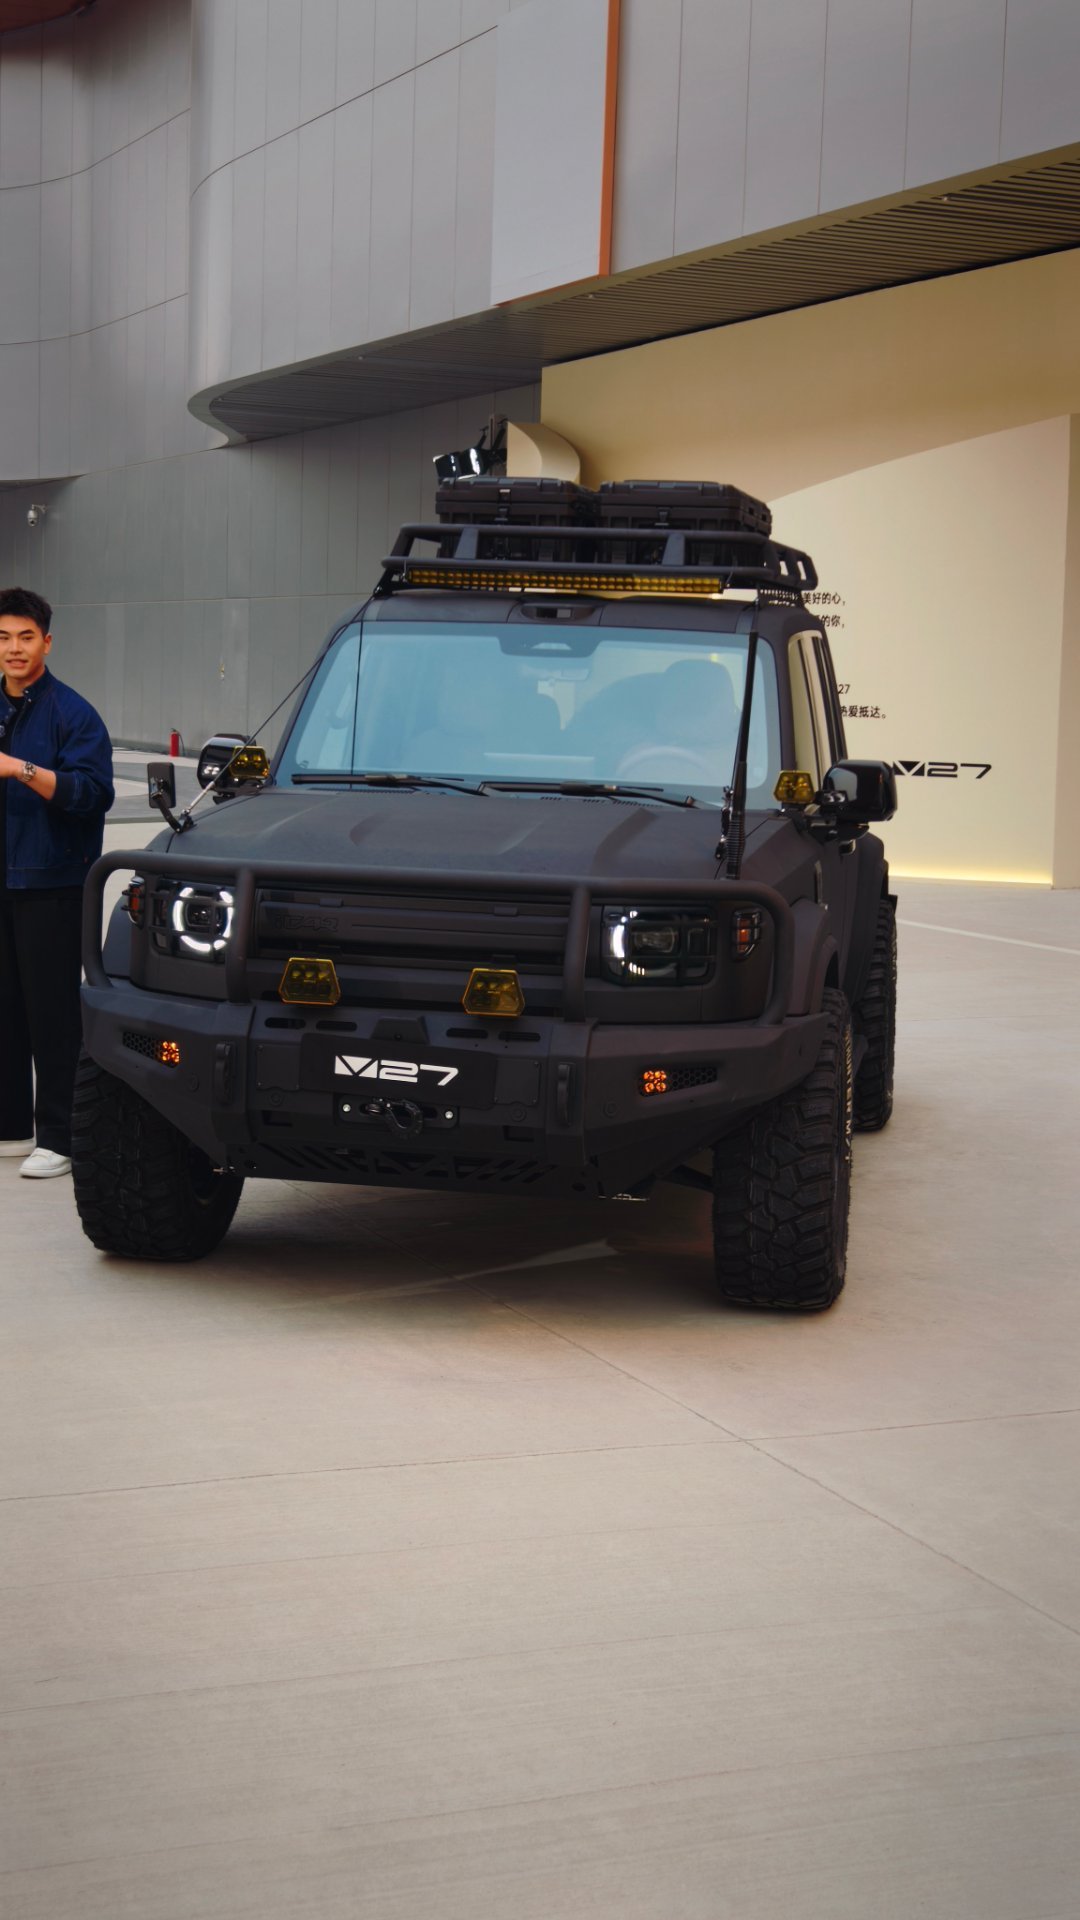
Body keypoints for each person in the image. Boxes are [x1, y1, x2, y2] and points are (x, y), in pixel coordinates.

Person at [0, 587, 114, 1177]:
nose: (14, 649)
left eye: (25, 637)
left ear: (47, 642)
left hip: (52, 882)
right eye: (3, 638)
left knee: (53, 1013)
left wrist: (19, 769)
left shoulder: (74, 713)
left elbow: (93, 795)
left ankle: (61, 1137)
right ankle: (11, 1127)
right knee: (4, 1010)